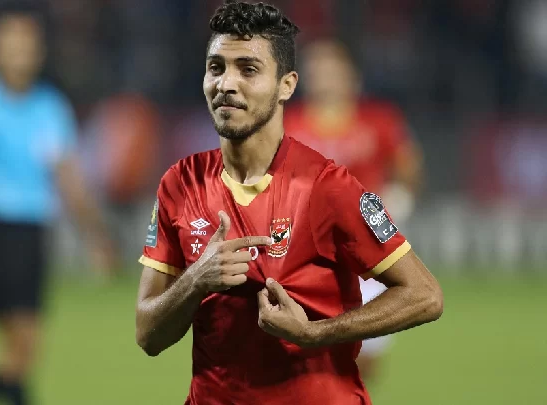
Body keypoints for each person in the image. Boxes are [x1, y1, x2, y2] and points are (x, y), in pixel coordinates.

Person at [135, 1, 443, 404]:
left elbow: (425, 295)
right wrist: (196, 280)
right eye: (216, 67)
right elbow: (148, 335)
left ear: (287, 85)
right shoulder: (179, 184)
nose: (227, 83)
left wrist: (314, 333)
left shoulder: (328, 185)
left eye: (248, 69)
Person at [0, 4, 115, 405]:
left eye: (26, 45)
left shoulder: (49, 107)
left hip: (35, 235)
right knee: (23, 342)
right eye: (10, 44)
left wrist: (96, 236)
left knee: (22, 350)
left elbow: (70, 181)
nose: (19, 53)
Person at [285, 39, 424, 382]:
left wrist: (400, 198)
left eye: (332, 68)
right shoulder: (289, 124)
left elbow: (408, 165)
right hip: (310, 255)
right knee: (303, 352)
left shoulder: (379, 120)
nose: (325, 77)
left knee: (365, 357)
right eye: (317, 69)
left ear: (351, 75)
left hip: (368, 255)